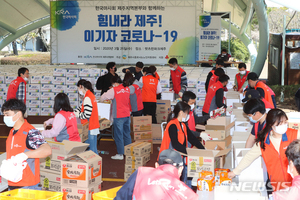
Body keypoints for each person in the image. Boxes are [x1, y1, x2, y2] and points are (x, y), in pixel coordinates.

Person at [228, 109, 299, 192]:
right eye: (280, 123)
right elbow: (249, 157)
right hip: (277, 187)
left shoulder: (294, 135)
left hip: (295, 185)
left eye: (285, 122)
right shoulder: (264, 142)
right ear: (271, 125)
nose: (283, 125)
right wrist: (235, 172)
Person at [1, 99, 51, 190]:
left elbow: (47, 150)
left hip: (28, 186)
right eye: (4, 114)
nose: (5, 117)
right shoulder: (12, 132)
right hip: (13, 183)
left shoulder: (31, 132)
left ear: (19, 114)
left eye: (7, 114)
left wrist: (25, 155)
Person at [114, 149, 198, 200]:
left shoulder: (141, 172)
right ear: (181, 169)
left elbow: (121, 197)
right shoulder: (187, 193)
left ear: (156, 165)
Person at [158, 102, 205, 187]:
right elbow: (175, 144)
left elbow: (192, 138)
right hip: (168, 158)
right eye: (187, 113)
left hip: (179, 156)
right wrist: (190, 153)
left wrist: (203, 150)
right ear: (181, 112)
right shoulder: (172, 125)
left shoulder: (183, 125)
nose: (188, 115)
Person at [100, 75, 132, 160]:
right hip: (127, 114)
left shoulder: (114, 90)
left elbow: (103, 97)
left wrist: (110, 91)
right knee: (127, 134)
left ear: (115, 83)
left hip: (118, 115)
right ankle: (129, 152)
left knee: (118, 135)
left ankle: (120, 154)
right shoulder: (127, 89)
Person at [75, 80, 100, 154]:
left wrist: (76, 114)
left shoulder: (87, 98)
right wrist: (75, 111)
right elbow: (82, 107)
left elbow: (86, 115)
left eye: (78, 89)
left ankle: (93, 165)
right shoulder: (90, 95)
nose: (78, 91)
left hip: (89, 126)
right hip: (93, 125)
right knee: (93, 149)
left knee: (90, 151)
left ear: (81, 86)